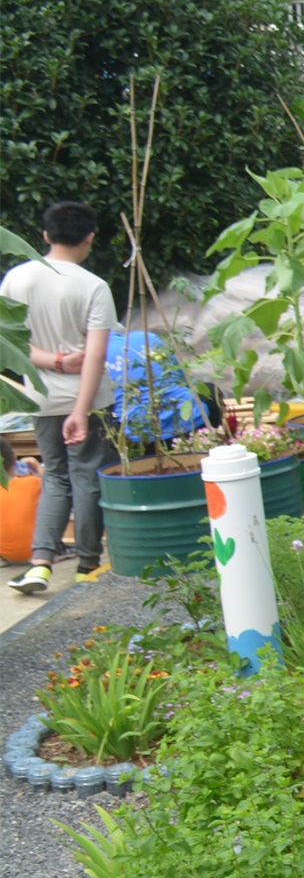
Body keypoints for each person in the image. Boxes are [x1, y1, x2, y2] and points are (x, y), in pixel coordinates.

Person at [5, 202, 119, 594]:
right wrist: (82, 411)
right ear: (89, 237)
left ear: (45, 236)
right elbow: (97, 355)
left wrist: (52, 360)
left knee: (54, 475)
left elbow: (7, 344)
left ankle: (40, 564)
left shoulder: (15, 280)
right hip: (87, 401)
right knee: (87, 476)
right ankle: (88, 564)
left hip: (41, 398)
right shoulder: (93, 286)